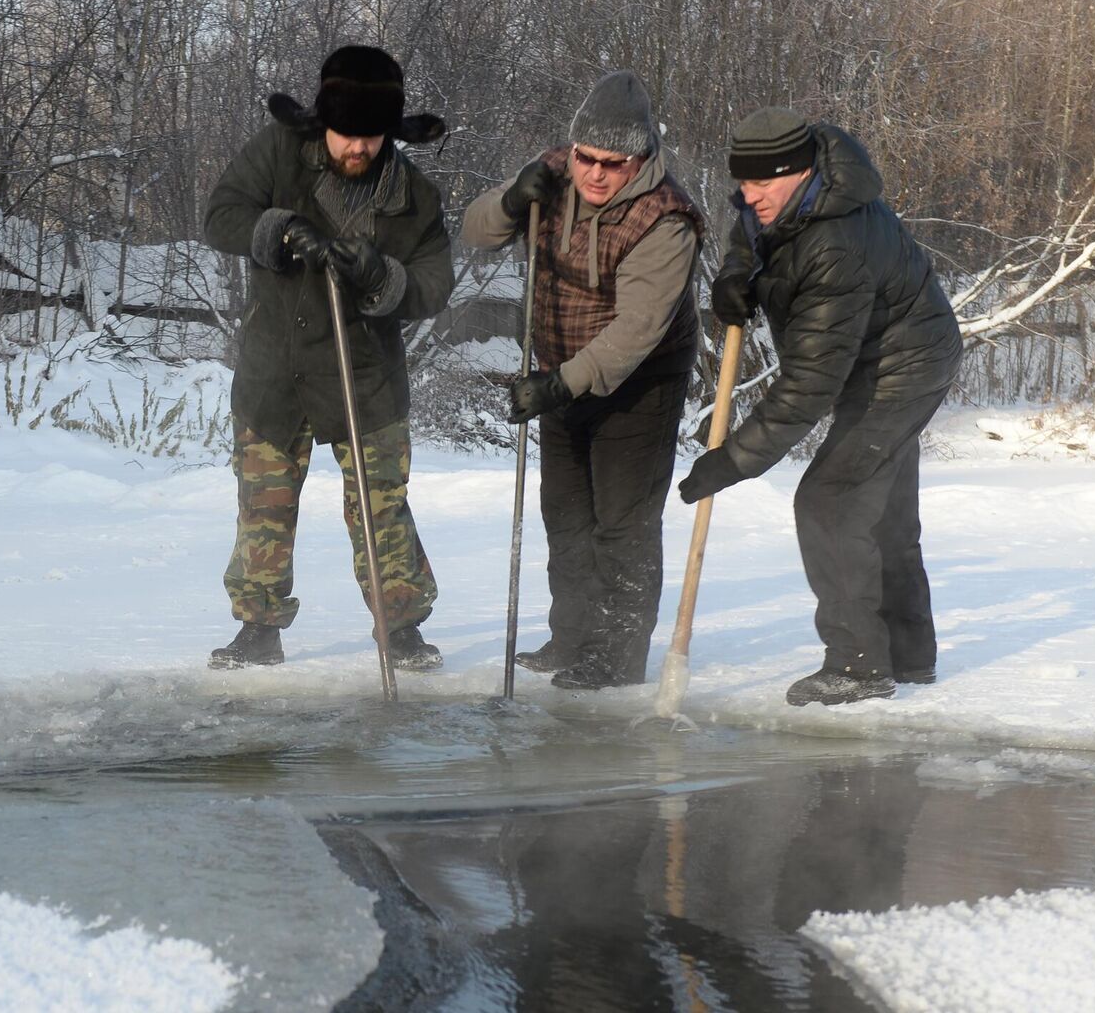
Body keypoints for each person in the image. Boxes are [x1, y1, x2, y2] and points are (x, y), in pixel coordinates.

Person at [677, 107, 964, 706]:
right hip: (873, 357)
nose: (748, 195)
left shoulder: (835, 241)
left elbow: (808, 386)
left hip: (902, 366)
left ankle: (859, 666)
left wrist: (731, 462)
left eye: (761, 183)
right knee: (877, 510)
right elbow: (748, 232)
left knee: (830, 501)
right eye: (744, 182)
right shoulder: (788, 200)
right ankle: (908, 657)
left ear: (799, 170)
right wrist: (737, 276)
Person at [200, 45, 453, 671]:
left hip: (366, 377)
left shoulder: (414, 196)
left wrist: (382, 276)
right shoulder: (280, 153)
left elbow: (433, 283)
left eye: (371, 137)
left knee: (379, 505)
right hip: (273, 368)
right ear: (324, 124)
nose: (357, 149)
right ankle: (257, 627)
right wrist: (279, 231)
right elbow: (221, 214)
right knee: (264, 504)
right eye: (345, 135)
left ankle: (402, 627)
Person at [462, 70, 705, 690]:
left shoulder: (666, 218)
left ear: (641, 158)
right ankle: (571, 637)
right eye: (585, 158)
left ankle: (618, 656)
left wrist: (557, 385)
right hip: (562, 369)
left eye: (612, 163)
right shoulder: (551, 176)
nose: (593, 174)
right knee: (566, 513)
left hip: (640, 379)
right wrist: (514, 201)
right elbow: (477, 232)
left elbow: (636, 330)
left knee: (621, 521)